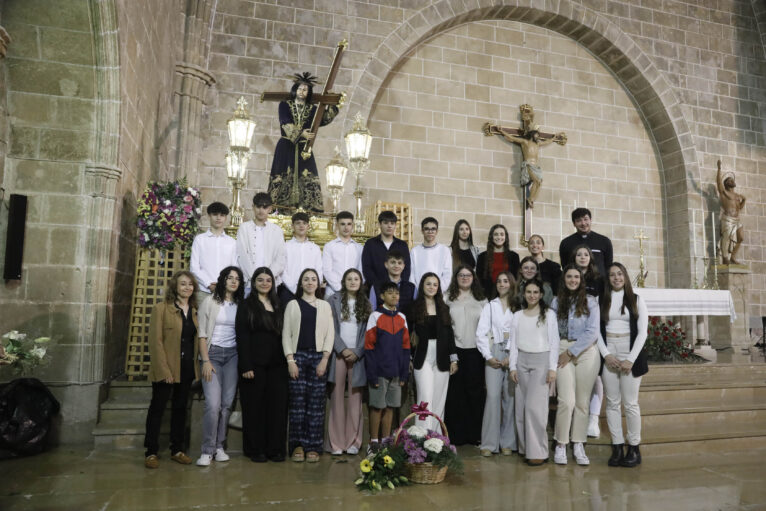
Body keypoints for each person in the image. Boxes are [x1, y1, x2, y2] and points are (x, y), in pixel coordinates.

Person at [144, 271, 200, 469]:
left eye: (190, 284)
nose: (187, 287)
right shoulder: (161, 309)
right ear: (175, 286)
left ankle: (177, 449)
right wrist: (164, 370)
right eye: (183, 284)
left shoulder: (194, 310)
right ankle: (151, 451)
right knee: (157, 409)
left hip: (186, 368)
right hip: (166, 367)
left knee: (180, 409)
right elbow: (155, 342)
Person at [598, 263, 649, 468]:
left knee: (630, 404)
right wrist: (606, 355)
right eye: (612, 275)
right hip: (610, 350)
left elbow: (643, 332)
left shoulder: (637, 299)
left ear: (625, 277)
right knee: (611, 402)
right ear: (608, 278)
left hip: (630, 351)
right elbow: (596, 331)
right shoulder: (600, 299)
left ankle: (634, 448)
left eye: (620, 274)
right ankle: (617, 446)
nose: (616, 278)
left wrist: (631, 359)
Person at [235, 267, 287, 463]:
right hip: (254, 365)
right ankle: (255, 449)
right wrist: (246, 365)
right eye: (260, 280)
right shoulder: (246, 305)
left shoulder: (279, 304)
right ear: (254, 282)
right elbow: (242, 336)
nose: (265, 283)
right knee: (255, 408)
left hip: (277, 365)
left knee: (277, 408)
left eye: (268, 280)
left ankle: (275, 449)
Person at [267, 72, 338, 212]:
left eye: (305, 89)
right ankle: (280, 208)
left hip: (304, 148)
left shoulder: (312, 109)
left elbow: (322, 120)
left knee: (308, 174)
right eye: (299, 88)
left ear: (309, 92)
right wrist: (301, 134)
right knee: (282, 174)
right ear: (295, 89)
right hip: (286, 145)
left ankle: (309, 210)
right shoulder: (285, 105)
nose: (302, 91)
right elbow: (284, 122)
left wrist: (331, 104)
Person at [282, 268, 334, 463]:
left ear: (318, 283)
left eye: (314, 279)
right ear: (301, 283)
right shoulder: (292, 305)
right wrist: (290, 360)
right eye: (306, 279)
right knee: (297, 404)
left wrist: (324, 359)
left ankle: (313, 446)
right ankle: (298, 445)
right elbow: (286, 334)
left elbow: (330, 334)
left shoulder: (324, 306)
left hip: (318, 357)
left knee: (316, 405)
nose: (310, 282)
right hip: (297, 357)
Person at [550, 265, 600, 466]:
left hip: (586, 351)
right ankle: (561, 444)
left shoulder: (591, 302)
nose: (572, 280)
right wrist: (563, 352)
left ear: (581, 280)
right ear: (564, 279)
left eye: (576, 277)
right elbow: (551, 329)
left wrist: (573, 352)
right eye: (569, 276)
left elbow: (592, 331)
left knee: (582, 401)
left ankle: (578, 443)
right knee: (566, 401)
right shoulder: (556, 301)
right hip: (563, 349)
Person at [196, 266, 245, 466]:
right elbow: (201, 334)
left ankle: (219, 446)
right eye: (230, 278)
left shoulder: (240, 305)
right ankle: (207, 449)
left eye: (237, 279)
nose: (233, 281)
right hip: (212, 355)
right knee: (213, 404)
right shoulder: (210, 301)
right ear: (223, 280)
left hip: (232, 356)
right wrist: (205, 360)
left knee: (226, 405)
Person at [509, 279, 559, 466]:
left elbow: (554, 342)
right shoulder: (517, 315)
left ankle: (539, 451)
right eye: (528, 292)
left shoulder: (548, 315)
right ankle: (525, 448)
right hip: (522, 361)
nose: (532, 295)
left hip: (541, 361)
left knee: (535, 408)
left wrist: (552, 368)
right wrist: (513, 366)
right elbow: (513, 343)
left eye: (535, 292)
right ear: (524, 294)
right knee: (521, 408)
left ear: (541, 294)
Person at [326, 268, 371, 455]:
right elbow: (330, 327)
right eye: (349, 279)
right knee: (336, 397)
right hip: (339, 353)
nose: (353, 282)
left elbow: (369, 331)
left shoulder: (366, 303)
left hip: (357, 355)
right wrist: (342, 348)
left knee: (355, 399)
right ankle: (336, 443)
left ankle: (354, 441)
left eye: (356, 279)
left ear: (361, 282)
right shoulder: (333, 300)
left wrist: (358, 351)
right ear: (343, 281)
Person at [364, 281, 411, 453]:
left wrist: (404, 374)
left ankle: (385, 441)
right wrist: (372, 375)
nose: (394, 296)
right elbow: (369, 348)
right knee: (377, 407)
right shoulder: (375, 317)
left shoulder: (402, 318)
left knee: (390, 406)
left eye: (396, 293)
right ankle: (373, 442)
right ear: (382, 296)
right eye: (390, 293)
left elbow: (406, 348)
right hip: (379, 372)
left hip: (396, 373)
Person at [475, 271, 517, 457]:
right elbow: (481, 333)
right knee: (492, 397)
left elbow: (520, 333)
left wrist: (512, 356)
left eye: (506, 281)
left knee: (510, 399)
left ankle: (507, 442)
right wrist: (488, 356)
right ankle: (489, 443)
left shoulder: (518, 307)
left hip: (513, 353)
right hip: (493, 352)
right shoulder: (489, 306)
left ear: (511, 283)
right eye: (499, 281)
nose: (502, 284)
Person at [444, 265, 487, 445]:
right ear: (456, 278)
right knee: (455, 393)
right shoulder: (447, 298)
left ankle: (474, 434)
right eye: (461, 275)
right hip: (455, 349)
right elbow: (445, 327)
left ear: (473, 277)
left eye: (468, 275)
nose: (464, 278)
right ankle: (455, 435)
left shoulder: (482, 299)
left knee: (475, 393)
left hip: (475, 351)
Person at [409, 273, 457, 431]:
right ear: (422, 286)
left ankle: (436, 440)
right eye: (428, 284)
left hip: (442, 358)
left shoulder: (444, 308)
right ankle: (421, 439)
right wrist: (408, 358)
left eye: (435, 284)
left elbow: (450, 336)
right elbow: (407, 334)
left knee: (438, 400)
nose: (431, 287)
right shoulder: (413, 307)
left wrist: (454, 359)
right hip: (422, 358)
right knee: (425, 398)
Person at [573, 244, 605, 438]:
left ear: (590, 259)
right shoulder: (569, 276)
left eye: (586, 254)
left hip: (594, 329)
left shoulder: (599, 280)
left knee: (596, 377)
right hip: (574, 331)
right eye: (579, 254)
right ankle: (578, 419)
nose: (583, 257)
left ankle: (593, 418)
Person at [189, 202, 238, 307]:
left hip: (226, 292)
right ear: (209, 216)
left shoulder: (232, 242)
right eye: (215, 214)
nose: (218, 218)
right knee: (202, 322)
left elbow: (234, 268)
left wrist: (224, 286)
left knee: (223, 322)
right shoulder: (200, 240)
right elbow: (194, 268)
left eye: (222, 215)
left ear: (226, 218)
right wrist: (208, 284)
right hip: (203, 291)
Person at [237, 193, 286, 293]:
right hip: (249, 283)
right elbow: (242, 255)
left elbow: (280, 257)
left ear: (270, 209)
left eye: (265, 207)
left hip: (270, 283)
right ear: (253, 207)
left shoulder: (276, 230)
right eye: (258, 206)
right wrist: (254, 278)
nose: (261, 210)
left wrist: (266, 278)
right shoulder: (244, 228)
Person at [362, 210, 411, 292]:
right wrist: (377, 285)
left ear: (395, 225)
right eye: (386, 223)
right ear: (380, 224)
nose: (389, 226)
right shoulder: (370, 244)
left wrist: (399, 285)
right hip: (375, 289)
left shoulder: (402, 245)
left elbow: (406, 268)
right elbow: (367, 268)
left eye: (392, 223)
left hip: (397, 290)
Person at [281, 211, 323, 303]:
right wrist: (294, 288)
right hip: (290, 291)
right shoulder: (285, 247)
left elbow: (319, 271)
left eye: (304, 223)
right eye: (298, 223)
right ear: (292, 226)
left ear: (308, 226)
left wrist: (311, 287)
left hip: (311, 292)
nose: (301, 226)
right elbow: (282, 270)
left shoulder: (315, 248)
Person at [559, 208, 612, 278]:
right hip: (575, 284)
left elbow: (608, 267)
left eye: (585, 219)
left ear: (591, 220)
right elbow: (565, 267)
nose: (583, 223)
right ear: (574, 224)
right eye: (579, 220)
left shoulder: (604, 241)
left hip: (599, 284)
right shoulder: (566, 243)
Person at [323, 211, 363, 299]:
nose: (346, 227)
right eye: (342, 224)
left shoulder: (359, 248)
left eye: (349, 224)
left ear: (352, 225)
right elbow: (327, 271)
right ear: (337, 225)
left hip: (354, 293)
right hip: (333, 292)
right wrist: (340, 288)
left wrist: (353, 288)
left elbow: (361, 271)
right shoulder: (329, 246)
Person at [476, 224, 521, 299]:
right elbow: (478, 280)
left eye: (502, 234)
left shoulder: (514, 256)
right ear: (491, 237)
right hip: (488, 295)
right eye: (496, 234)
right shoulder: (482, 257)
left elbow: (516, 278)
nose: (499, 237)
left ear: (505, 237)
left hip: (509, 295)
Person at [409, 217, 452, 293]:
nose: (430, 232)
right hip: (419, 294)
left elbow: (447, 275)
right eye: (426, 229)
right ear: (422, 231)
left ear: (437, 231)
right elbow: (412, 275)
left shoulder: (444, 250)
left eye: (433, 229)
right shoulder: (414, 251)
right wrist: (418, 292)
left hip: (438, 293)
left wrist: (437, 291)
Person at [716, 160, 746, 264]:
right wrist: (719, 169)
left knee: (741, 237)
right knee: (727, 237)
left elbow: (739, 208)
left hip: (737, 219)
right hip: (728, 219)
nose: (732, 181)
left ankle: (732, 256)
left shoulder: (737, 196)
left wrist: (744, 200)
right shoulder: (724, 193)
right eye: (730, 180)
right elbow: (719, 183)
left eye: (733, 180)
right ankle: (725, 257)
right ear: (726, 183)